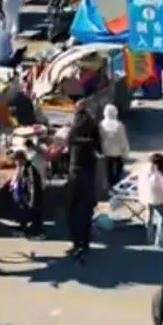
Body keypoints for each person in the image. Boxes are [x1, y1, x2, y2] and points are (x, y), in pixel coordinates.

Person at [65, 103, 102, 261]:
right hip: (88, 173)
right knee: (86, 211)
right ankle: (85, 244)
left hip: (74, 173)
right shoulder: (93, 130)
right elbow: (100, 149)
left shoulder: (72, 133)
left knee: (72, 211)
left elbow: (67, 147)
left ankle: (75, 243)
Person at [10, 148, 44, 236]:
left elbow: (32, 185)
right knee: (24, 211)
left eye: (16, 160)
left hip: (34, 195)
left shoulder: (29, 169)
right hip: (28, 194)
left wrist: (31, 199)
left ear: (21, 159)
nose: (15, 163)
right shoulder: (23, 167)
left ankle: (36, 231)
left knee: (34, 212)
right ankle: (25, 227)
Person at [139, 152, 163, 247]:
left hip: (145, 197)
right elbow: (162, 187)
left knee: (149, 218)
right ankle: (159, 240)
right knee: (162, 217)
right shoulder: (158, 174)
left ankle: (149, 237)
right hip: (156, 198)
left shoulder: (144, 170)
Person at [98, 102, 129, 191]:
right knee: (118, 172)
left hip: (106, 153)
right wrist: (126, 154)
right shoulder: (119, 125)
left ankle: (110, 187)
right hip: (117, 153)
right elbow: (123, 141)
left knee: (108, 172)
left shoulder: (101, 124)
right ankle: (117, 187)